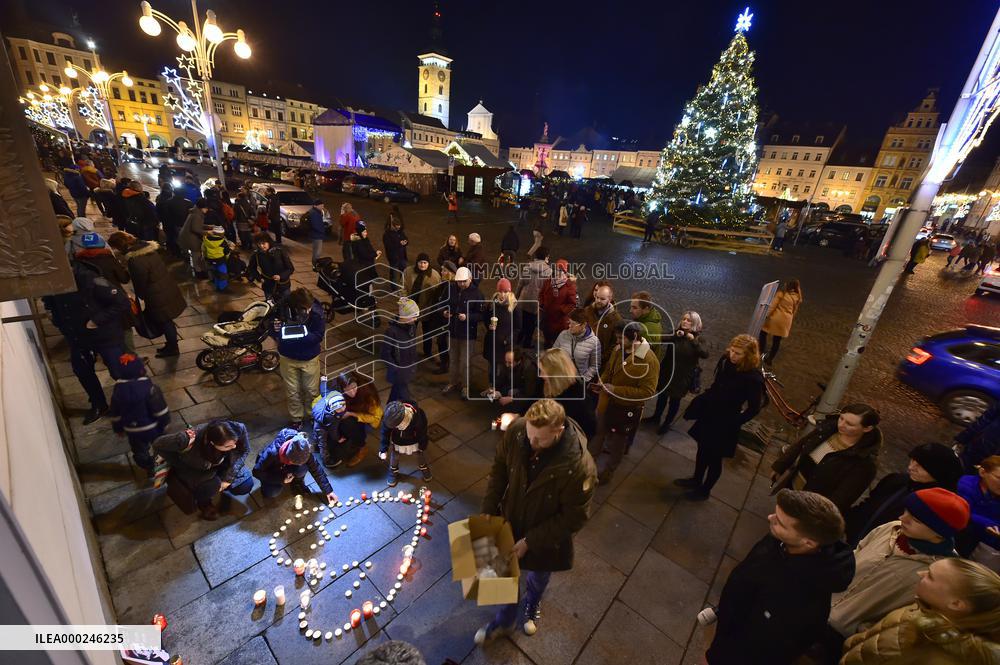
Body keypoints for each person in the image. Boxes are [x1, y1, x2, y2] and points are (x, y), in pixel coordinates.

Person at [476, 399, 597, 644]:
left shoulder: (579, 467)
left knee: (540, 574)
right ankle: (506, 619)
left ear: (558, 431)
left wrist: (531, 541)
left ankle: (532, 602)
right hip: (512, 517)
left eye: (540, 439)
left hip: (546, 535)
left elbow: (575, 516)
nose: (532, 443)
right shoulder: (519, 430)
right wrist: (488, 509)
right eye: (530, 435)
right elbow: (500, 467)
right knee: (503, 573)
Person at [706, 489, 855, 665]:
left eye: (781, 523)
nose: (770, 518)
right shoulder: (781, 541)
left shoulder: (804, 604)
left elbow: (766, 650)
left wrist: (717, 657)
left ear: (809, 542)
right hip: (727, 633)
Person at [822, 489, 970, 658]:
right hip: (815, 606)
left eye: (914, 520)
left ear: (939, 533)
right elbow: (855, 554)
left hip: (839, 637)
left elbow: (909, 616)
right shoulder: (891, 528)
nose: (902, 518)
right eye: (906, 512)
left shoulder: (939, 572)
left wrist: (859, 631)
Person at [840, 558, 1000, 665]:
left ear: (956, 603)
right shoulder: (924, 608)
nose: (920, 574)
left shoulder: (938, 653)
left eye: (930, 576)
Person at [677, 334, 765, 500]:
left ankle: (704, 491)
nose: (732, 355)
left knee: (715, 459)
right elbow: (717, 384)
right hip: (711, 413)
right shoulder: (726, 362)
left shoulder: (753, 378)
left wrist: (736, 422)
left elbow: (754, 408)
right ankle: (696, 480)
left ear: (748, 355)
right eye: (731, 350)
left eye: (738, 353)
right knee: (702, 449)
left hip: (727, 420)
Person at [42, 259, 129, 424]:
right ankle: (99, 404)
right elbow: (50, 302)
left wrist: (96, 320)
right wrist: (56, 318)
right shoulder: (52, 280)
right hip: (77, 337)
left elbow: (121, 302)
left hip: (105, 336)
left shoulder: (90, 279)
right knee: (82, 370)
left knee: (118, 371)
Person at [770, 403, 883, 513]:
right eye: (841, 418)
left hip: (809, 508)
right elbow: (802, 444)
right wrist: (780, 466)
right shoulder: (828, 429)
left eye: (849, 424)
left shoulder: (865, 463)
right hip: (792, 489)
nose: (841, 425)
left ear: (867, 428)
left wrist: (815, 516)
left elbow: (842, 498)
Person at [845, 443, 964, 546]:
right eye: (912, 460)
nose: (911, 467)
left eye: (920, 467)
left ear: (938, 474)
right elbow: (868, 506)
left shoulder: (939, 507)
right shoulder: (896, 480)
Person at [588, 322, 659, 484]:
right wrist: (602, 381)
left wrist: (615, 389)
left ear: (635, 337)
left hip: (624, 409)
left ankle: (608, 472)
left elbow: (647, 392)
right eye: (617, 337)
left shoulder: (649, 360)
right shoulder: (618, 349)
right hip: (605, 403)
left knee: (617, 445)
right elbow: (609, 370)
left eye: (621, 338)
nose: (618, 341)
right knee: (598, 435)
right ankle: (588, 466)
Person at [152, 419, 254, 521]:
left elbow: (244, 450)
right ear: (212, 443)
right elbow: (158, 444)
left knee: (245, 485)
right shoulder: (185, 439)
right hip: (198, 469)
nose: (234, 446)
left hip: (226, 463)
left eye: (235, 442)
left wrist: (228, 479)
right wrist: (179, 464)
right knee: (210, 487)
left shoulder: (238, 429)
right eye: (228, 446)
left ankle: (219, 486)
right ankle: (204, 502)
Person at [107, 231, 187, 358]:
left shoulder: (135, 259)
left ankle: (173, 348)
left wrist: (140, 295)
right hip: (165, 287)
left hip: (156, 294)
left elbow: (140, 281)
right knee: (167, 320)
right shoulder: (146, 249)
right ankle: (171, 344)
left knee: (165, 321)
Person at [270, 288, 325, 429]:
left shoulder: (317, 313)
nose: (307, 311)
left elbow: (318, 336)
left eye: (309, 308)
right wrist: (276, 331)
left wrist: (301, 335)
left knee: (312, 390)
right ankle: (296, 418)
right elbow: (272, 331)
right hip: (288, 357)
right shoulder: (282, 310)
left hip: (309, 358)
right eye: (304, 308)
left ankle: (312, 415)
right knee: (292, 390)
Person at [109, 352, 171, 476]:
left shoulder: (118, 390)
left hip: (132, 430)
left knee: (139, 452)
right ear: (141, 370)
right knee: (161, 446)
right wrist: (165, 422)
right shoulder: (150, 387)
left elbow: (115, 412)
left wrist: (118, 428)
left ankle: (149, 465)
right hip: (153, 428)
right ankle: (161, 465)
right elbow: (160, 409)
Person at [651, 310, 709, 435]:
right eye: (684, 319)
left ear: (695, 323)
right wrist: (675, 336)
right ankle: (656, 417)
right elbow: (661, 338)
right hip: (667, 372)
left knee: (674, 400)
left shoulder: (699, 338)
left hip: (682, 376)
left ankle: (667, 423)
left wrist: (693, 341)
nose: (685, 322)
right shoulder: (676, 333)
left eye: (689, 320)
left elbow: (705, 354)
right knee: (662, 396)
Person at [252, 429, 338, 503]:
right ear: (288, 458)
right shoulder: (272, 453)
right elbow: (256, 472)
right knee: (272, 492)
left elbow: (315, 468)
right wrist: (281, 478)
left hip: (286, 467)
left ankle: (297, 483)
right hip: (272, 471)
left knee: (303, 468)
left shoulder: (304, 448)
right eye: (295, 463)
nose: (299, 465)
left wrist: (328, 491)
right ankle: (266, 488)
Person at [530, 348, 596, 437]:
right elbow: (531, 403)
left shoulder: (578, 397)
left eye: (543, 371)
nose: (541, 375)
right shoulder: (544, 383)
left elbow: (588, 430)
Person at [441, 267, 484, 399]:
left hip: (467, 334)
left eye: (464, 281)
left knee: (465, 361)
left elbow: (481, 315)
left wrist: (468, 317)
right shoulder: (450, 289)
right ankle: (452, 382)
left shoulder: (477, 294)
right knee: (453, 359)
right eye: (459, 281)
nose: (461, 284)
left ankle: (466, 386)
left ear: (470, 279)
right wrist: (444, 311)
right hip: (453, 331)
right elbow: (442, 303)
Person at [327, 372, 383, 467]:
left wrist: (353, 414)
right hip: (347, 414)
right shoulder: (336, 391)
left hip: (366, 419)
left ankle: (362, 447)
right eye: (347, 390)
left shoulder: (368, 394)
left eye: (354, 387)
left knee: (348, 424)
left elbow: (376, 419)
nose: (352, 392)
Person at [956, 456, 1000, 561]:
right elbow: (963, 511)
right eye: (999, 478)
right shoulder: (965, 485)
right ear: (982, 472)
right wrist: (988, 524)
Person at [403, 253, 444, 361]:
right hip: (410, 308)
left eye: (425, 263)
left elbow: (437, 294)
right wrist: (404, 300)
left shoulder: (434, 276)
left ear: (428, 263)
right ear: (417, 263)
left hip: (426, 309)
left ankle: (427, 352)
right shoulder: (408, 271)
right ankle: (408, 351)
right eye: (420, 262)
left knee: (427, 333)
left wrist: (432, 308)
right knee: (410, 331)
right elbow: (402, 287)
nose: (422, 265)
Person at [482, 278, 521, 393]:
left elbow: (518, 328)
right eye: (501, 291)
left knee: (503, 370)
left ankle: (502, 391)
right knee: (491, 368)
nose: (503, 294)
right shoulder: (492, 304)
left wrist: (508, 339)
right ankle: (492, 388)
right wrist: (488, 325)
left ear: (510, 292)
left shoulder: (514, 307)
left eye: (505, 292)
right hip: (492, 341)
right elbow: (485, 318)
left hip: (505, 345)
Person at [380, 401, 431, 486]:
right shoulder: (389, 417)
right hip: (398, 440)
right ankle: (393, 471)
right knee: (395, 456)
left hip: (413, 440)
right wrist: (383, 449)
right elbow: (385, 432)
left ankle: (424, 468)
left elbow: (422, 431)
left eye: (398, 425)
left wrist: (422, 445)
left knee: (418, 454)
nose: (397, 427)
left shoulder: (417, 416)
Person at [381, 298, 419, 403]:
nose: (415, 319)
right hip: (398, 372)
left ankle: (389, 412)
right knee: (406, 398)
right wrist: (395, 368)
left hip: (407, 369)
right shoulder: (392, 332)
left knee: (395, 394)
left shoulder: (411, 327)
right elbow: (385, 354)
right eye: (413, 316)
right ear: (405, 317)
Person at [552, 308, 601, 386]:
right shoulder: (563, 334)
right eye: (569, 322)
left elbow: (595, 366)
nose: (569, 326)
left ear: (584, 325)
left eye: (573, 324)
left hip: (577, 383)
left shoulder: (594, 342)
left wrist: (584, 378)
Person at [759, 279, 803, 364]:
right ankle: (770, 359)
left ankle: (761, 351)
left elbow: (772, 306)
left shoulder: (781, 294)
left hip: (775, 319)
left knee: (763, 333)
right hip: (786, 321)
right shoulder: (797, 297)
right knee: (777, 340)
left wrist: (766, 315)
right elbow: (794, 311)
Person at [516, 247, 552, 349]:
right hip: (536, 302)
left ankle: (518, 338)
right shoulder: (549, 272)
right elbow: (547, 290)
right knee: (531, 323)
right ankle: (527, 342)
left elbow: (520, 284)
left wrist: (516, 296)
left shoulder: (527, 267)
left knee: (522, 320)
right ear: (546, 257)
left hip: (524, 299)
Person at [538, 259, 578, 348]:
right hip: (547, 317)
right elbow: (541, 293)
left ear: (565, 271)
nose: (557, 272)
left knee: (557, 342)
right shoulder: (549, 281)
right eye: (556, 269)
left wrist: (561, 310)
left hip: (559, 321)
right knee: (547, 338)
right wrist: (542, 304)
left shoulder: (569, 286)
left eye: (560, 270)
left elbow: (572, 303)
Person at [583, 283, 622, 369]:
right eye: (597, 297)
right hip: (583, 357)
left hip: (601, 363)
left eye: (602, 299)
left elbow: (615, 344)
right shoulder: (587, 311)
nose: (598, 301)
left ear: (610, 299)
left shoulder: (616, 319)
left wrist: (600, 359)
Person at [246, 232, 293, 303]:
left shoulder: (280, 251)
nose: (261, 246)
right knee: (271, 307)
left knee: (286, 305)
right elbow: (251, 268)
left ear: (269, 242)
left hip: (283, 286)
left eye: (263, 243)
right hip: (268, 286)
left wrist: (280, 276)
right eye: (259, 244)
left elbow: (290, 268)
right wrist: (259, 278)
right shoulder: (256, 255)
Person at [956, 403, 1000, 472]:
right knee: (958, 466)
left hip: (993, 466)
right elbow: (985, 419)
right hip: (977, 447)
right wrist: (963, 438)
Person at [154, 185, 193, 256]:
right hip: (185, 224)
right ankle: (185, 252)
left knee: (177, 238)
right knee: (185, 239)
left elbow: (166, 215)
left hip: (174, 225)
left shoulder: (168, 202)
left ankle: (179, 252)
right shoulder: (188, 202)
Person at [179, 198, 210, 278]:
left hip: (189, 236)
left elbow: (197, 225)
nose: (207, 210)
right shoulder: (197, 215)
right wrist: (208, 232)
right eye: (206, 208)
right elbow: (195, 228)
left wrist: (209, 227)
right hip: (191, 238)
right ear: (202, 207)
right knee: (196, 254)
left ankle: (199, 270)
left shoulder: (196, 212)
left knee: (196, 254)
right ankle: (199, 272)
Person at [629, 291, 663, 359]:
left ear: (646, 309)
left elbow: (639, 357)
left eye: (635, 308)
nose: (630, 310)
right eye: (631, 307)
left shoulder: (645, 330)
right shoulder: (653, 317)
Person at [383, 216, 409, 284]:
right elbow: (389, 247)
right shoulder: (386, 235)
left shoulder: (400, 232)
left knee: (404, 273)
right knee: (394, 275)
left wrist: (406, 242)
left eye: (399, 227)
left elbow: (406, 238)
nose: (398, 229)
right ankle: (394, 288)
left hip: (402, 257)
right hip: (393, 258)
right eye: (396, 228)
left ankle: (403, 286)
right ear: (392, 226)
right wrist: (400, 243)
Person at [307, 199, 327, 264]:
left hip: (317, 234)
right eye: (321, 206)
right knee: (317, 252)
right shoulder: (314, 213)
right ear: (316, 206)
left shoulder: (316, 212)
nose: (322, 207)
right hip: (317, 235)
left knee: (317, 251)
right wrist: (322, 230)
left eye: (323, 206)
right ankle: (315, 265)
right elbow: (315, 225)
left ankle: (315, 264)